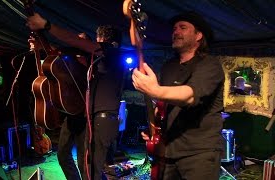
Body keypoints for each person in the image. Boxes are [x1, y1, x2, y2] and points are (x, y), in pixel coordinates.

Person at [26, 14, 125, 180]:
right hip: (86, 115)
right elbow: (62, 53)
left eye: (98, 38)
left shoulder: (111, 53)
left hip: (99, 119)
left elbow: (77, 46)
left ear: (104, 40)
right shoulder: (97, 59)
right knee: (85, 166)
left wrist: (46, 25)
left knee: (88, 167)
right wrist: (42, 45)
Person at [132, 11, 225, 179]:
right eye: (174, 28)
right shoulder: (169, 66)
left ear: (198, 36)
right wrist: (153, 127)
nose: (176, 32)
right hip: (168, 150)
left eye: (183, 27)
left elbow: (190, 95)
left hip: (199, 153)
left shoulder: (210, 64)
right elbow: (163, 104)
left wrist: (155, 90)